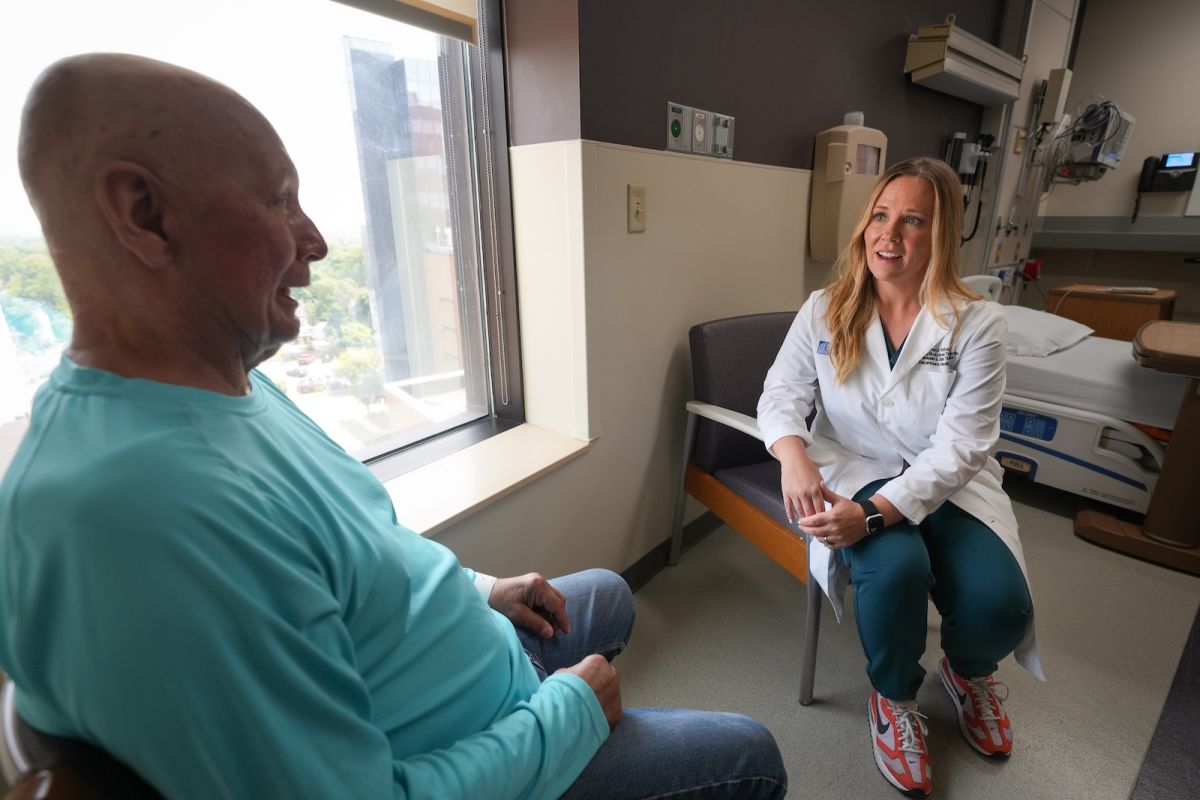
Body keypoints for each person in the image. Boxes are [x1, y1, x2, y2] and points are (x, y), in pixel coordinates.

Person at [0, 53, 787, 800]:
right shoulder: (144, 515)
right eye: (279, 200)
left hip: (461, 673)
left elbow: (357, 539)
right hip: (463, 749)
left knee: (608, 594)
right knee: (749, 753)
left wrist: (481, 591)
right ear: (144, 214)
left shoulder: (225, 383)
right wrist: (570, 715)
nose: (315, 241)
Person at [757, 157, 1043, 796]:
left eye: (912, 221)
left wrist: (879, 512)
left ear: (941, 236)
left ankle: (968, 675)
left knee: (1002, 604)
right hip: (852, 467)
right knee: (896, 571)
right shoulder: (825, 308)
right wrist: (794, 455)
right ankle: (893, 700)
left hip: (951, 480)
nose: (889, 235)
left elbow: (963, 445)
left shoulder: (978, 325)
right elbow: (780, 392)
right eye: (880, 217)